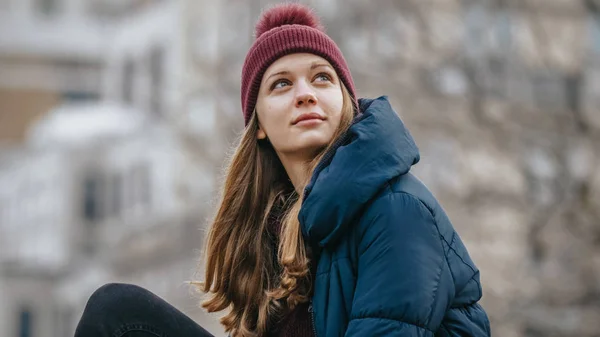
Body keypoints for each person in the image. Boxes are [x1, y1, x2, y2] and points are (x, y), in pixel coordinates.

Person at [74, 3, 491, 337]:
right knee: (119, 314)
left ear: (345, 102)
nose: (306, 94)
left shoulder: (396, 210)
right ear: (258, 127)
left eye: (322, 78)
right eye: (281, 84)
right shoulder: (274, 231)